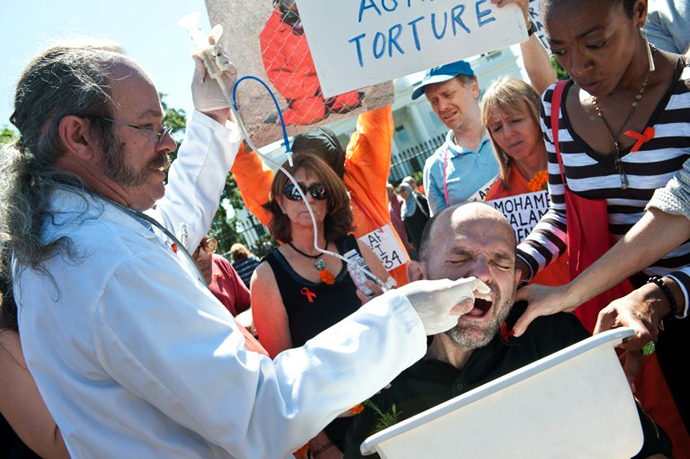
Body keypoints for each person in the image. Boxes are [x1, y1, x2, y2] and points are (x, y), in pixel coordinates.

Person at [0, 41, 488, 459]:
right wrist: (402, 318)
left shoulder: (70, 233)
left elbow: (169, 226)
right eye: (150, 126)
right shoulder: (110, 260)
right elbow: (260, 410)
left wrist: (212, 118)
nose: (167, 141)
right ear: (79, 135)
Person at [343, 203, 672, 459]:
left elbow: (645, 446)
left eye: (501, 262)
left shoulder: (550, 338)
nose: (483, 274)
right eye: (460, 258)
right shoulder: (383, 377)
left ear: (515, 282)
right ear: (418, 276)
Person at [510, 0, 690, 450]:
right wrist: (514, 265)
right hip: (638, 324)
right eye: (560, 50)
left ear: (639, 12)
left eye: (595, 43)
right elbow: (561, 214)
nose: (578, 65)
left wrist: (666, 291)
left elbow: (679, 208)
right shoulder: (554, 107)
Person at [252, 153, 391, 456]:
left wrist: (384, 305)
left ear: (329, 200)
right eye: (295, 190)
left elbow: (394, 320)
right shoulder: (267, 276)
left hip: (392, 402)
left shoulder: (357, 248)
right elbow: (283, 379)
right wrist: (322, 444)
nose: (308, 199)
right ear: (280, 201)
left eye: (318, 191)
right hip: (336, 429)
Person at [232, 108, 413, 287]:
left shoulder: (294, 201)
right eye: (305, 186)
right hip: (391, 300)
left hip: (401, 300)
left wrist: (227, 125)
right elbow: (376, 123)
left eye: (320, 187)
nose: (312, 198)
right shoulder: (360, 180)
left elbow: (249, 172)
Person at [418, 0, 557, 216]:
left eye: (448, 94)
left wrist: (522, 23)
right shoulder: (435, 168)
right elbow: (444, 232)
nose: (442, 106)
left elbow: (549, 93)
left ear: (473, 87)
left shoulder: (518, 136)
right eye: (433, 101)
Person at [483, 77, 570, 286]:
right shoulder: (495, 200)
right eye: (496, 128)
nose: (508, 133)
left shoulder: (576, 165)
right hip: (547, 307)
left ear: (538, 116)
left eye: (515, 120)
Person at [259, 0, 361, 125]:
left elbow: (335, 48)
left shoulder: (319, 16)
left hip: (328, 77)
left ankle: (326, 103)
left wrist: (331, 81)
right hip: (302, 89)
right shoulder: (269, 33)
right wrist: (311, 90)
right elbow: (277, 74)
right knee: (312, 114)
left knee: (349, 100)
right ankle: (282, 118)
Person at [396, 182, 430, 255]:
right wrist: (410, 240)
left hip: (428, 236)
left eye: (403, 190)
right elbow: (406, 226)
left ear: (409, 189)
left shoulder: (418, 199)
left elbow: (429, 213)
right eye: (400, 191)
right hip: (417, 240)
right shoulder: (404, 207)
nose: (402, 193)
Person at [386, 183, 412, 254]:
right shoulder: (389, 204)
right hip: (401, 244)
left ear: (391, 191)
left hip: (409, 243)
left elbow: (408, 223)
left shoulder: (400, 202)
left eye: (385, 193)